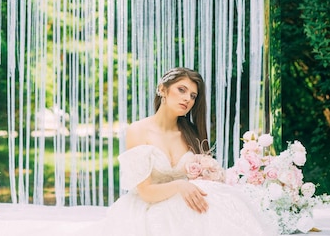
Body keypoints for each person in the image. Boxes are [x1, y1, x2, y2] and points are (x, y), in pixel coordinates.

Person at [71, 67, 277, 236]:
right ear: (163, 89)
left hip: (183, 206)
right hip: (149, 207)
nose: (188, 98)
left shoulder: (191, 134)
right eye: (182, 89)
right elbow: (145, 192)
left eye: (193, 95)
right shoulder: (138, 131)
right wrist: (180, 185)